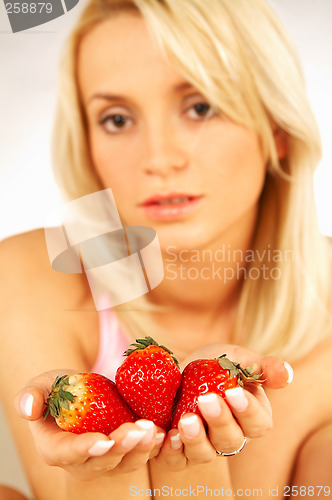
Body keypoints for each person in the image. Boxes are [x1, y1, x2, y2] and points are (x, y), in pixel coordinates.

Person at [0, 0, 332, 499]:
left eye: (201, 107)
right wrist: (99, 475)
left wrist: (187, 470)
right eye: (116, 119)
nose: (158, 158)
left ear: (277, 130)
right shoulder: (28, 274)